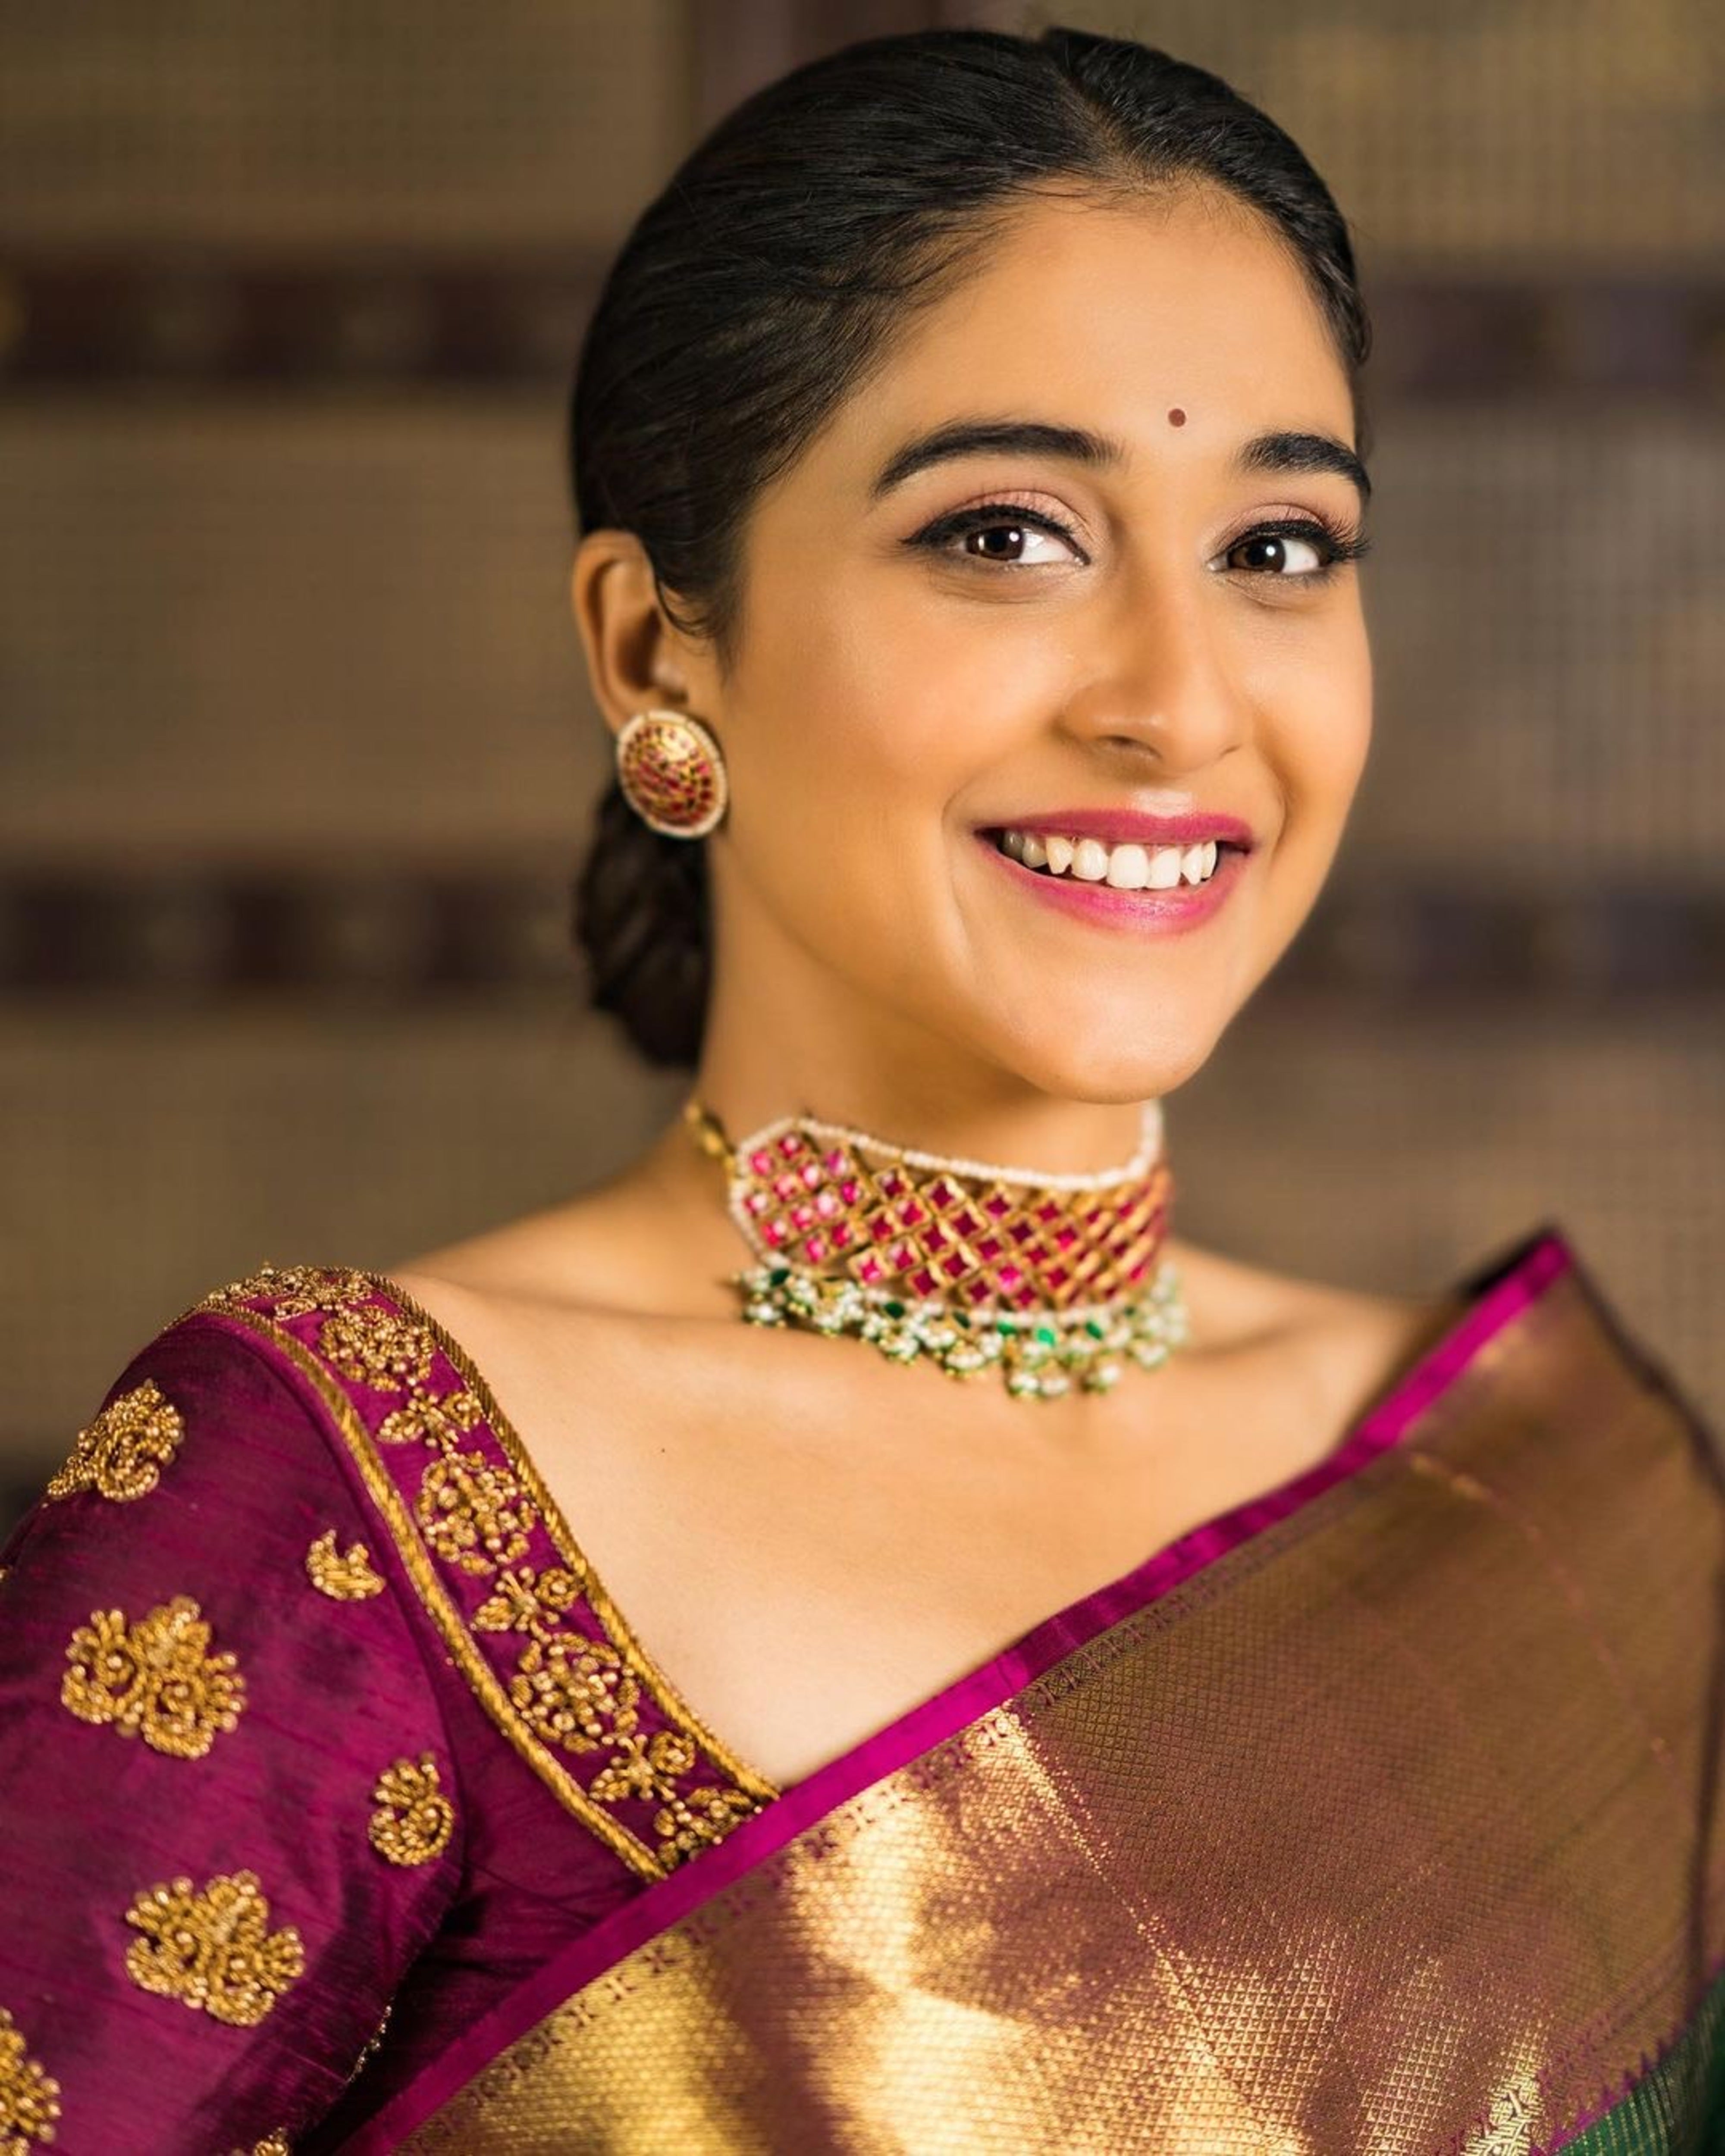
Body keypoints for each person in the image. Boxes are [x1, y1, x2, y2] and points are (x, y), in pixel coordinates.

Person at [2, 24, 1721, 2153]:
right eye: (1006, 533)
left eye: (1278, 546)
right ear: (655, 650)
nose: (1181, 705)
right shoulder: (333, 1496)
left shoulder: (1540, 1495)